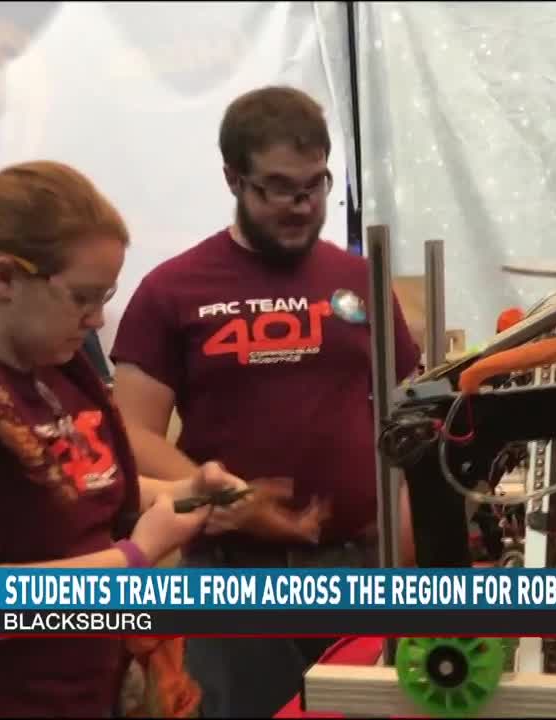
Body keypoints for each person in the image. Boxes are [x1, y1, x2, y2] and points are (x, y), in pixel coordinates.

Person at [0, 161, 247, 717]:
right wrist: (134, 557)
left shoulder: (54, 368)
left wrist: (185, 492)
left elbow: (81, 490)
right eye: (82, 297)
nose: (97, 318)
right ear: (4, 279)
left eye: (105, 296)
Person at [109, 86, 421, 717]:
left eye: (314, 185)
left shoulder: (357, 280)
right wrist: (228, 497)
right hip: (235, 578)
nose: (302, 206)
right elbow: (129, 435)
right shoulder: (172, 290)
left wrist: (410, 551)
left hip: (359, 568)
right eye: (278, 188)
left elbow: (408, 419)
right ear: (233, 178)